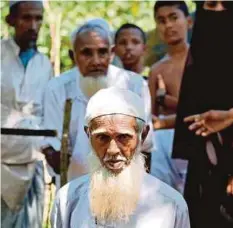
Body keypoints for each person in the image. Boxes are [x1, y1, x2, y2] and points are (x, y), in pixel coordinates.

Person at [51, 87, 190, 228]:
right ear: (88, 135)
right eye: (102, 137)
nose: (112, 150)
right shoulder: (68, 200)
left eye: (123, 137)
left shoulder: (172, 205)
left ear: (143, 135)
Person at [42, 19, 153, 181]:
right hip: (74, 185)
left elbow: (146, 146)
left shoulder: (134, 85)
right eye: (87, 53)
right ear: (73, 56)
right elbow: (51, 141)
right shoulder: (58, 88)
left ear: (112, 53)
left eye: (102, 52)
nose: (95, 61)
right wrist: (54, 155)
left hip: (125, 185)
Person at [172, 1, 233, 227]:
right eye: (209, 4)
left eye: (225, 5)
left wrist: (230, 116)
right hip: (206, 164)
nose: (217, 12)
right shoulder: (200, 52)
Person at [1, 1, 53, 227]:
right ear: (10, 21)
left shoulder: (44, 64)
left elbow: (47, 113)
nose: (33, 25)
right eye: (26, 18)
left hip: (32, 162)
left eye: (38, 19)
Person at [148, 1, 192, 192]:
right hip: (167, 152)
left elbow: (208, 110)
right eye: (162, 20)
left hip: (202, 142)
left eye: (174, 18)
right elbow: (152, 120)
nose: (168, 25)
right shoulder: (157, 70)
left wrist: (169, 105)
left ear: (188, 22)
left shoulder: (206, 59)